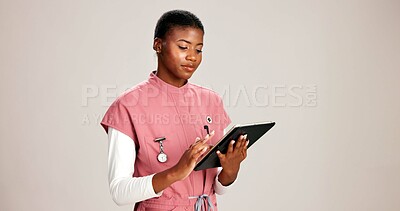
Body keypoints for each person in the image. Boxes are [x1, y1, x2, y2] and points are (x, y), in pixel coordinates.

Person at [101, 9, 249, 211]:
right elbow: (119, 192)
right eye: (183, 47)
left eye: (198, 50)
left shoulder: (211, 101)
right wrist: (175, 172)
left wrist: (231, 171)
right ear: (158, 45)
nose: (192, 57)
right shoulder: (128, 106)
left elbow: (216, 187)